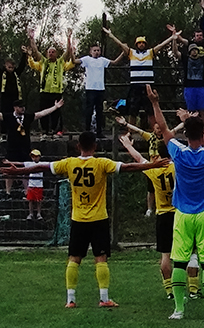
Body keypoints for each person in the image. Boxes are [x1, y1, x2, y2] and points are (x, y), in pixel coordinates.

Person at [3, 131, 166, 308]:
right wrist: (151, 165)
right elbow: (127, 167)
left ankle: (70, 300)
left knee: (74, 258)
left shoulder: (69, 163)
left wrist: (19, 171)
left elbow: (41, 167)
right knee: (101, 258)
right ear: (95, 146)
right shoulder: (101, 163)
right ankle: (104, 298)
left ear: (78, 146)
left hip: (78, 219)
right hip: (98, 218)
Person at [148, 82, 204, 320]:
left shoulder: (178, 153)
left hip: (183, 214)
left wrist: (155, 103)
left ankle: (178, 310)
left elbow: (164, 128)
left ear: (186, 135)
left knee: (179, 262)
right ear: (203, 133)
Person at [119, 134, 177, 299]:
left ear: (158, 153)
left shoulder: (154, 169)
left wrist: (128, 146)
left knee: (165, 255)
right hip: (179, 213)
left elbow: (138, 158)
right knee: (186, 254)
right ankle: (192, 289)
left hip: (163, 214)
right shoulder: (178, 167)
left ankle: (169, 290)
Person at [104, 25, 177, 128]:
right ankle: (130, 132)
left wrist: (172, 37)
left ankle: (155, 131)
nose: (141, 44)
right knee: (132, 111)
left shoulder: (150, 52)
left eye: (143, 43)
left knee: (151, 111)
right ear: (136, 44)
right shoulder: (131, 53)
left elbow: (161, 45)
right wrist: (111, 35)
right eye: (139, 43)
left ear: (145, 44)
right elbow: (120, 44)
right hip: (135, 86)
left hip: (148, 86)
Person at [1, 99, 63, 197]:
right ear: (15, 108)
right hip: (12, 147)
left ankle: (26, 192)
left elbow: (41, 113)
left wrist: (55, 107)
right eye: (20, 107)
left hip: (25, 147)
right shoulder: (8, 117)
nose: (23, 108)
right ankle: (8, 192)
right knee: (9, 171)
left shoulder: (28, 117)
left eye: (24, 106)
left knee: (26, 170)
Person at [24, 27, 74, 136]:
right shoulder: (43, 62)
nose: (51, 53)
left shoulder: (60, 62)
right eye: (49, 52)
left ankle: (55, 131)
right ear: (47, 54)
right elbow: (36, 51)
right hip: (45, 91)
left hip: (56, 92)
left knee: (56, 113)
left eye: (53, 52)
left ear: (56, 54)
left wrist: (68, 38)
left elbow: (67, 52)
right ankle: (45, 131)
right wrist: (31, 38)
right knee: (43, 112)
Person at [73, 40, 124, 136]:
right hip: (90, 88)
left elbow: (114, 62)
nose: (96, 52)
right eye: (94, 50)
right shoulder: (87, 59)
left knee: (99, 110)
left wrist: (123, 53)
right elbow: (75, 61)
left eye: (98, 50)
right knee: (89, 109)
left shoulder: (102, 60)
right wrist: (71, 52)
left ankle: (99, 131)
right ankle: (87, 130)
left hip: (100, 88)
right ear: (90, 52)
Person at [171, 27, 204, 128]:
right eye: (192, 50)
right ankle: (191, 130)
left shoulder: (203, 59)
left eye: (195, 50)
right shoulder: (185, 59)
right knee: (190, 112)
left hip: (201, 87)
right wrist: (174, 40)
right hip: (189, 88)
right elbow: (175, 52)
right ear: (189, 51)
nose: (194, 51)